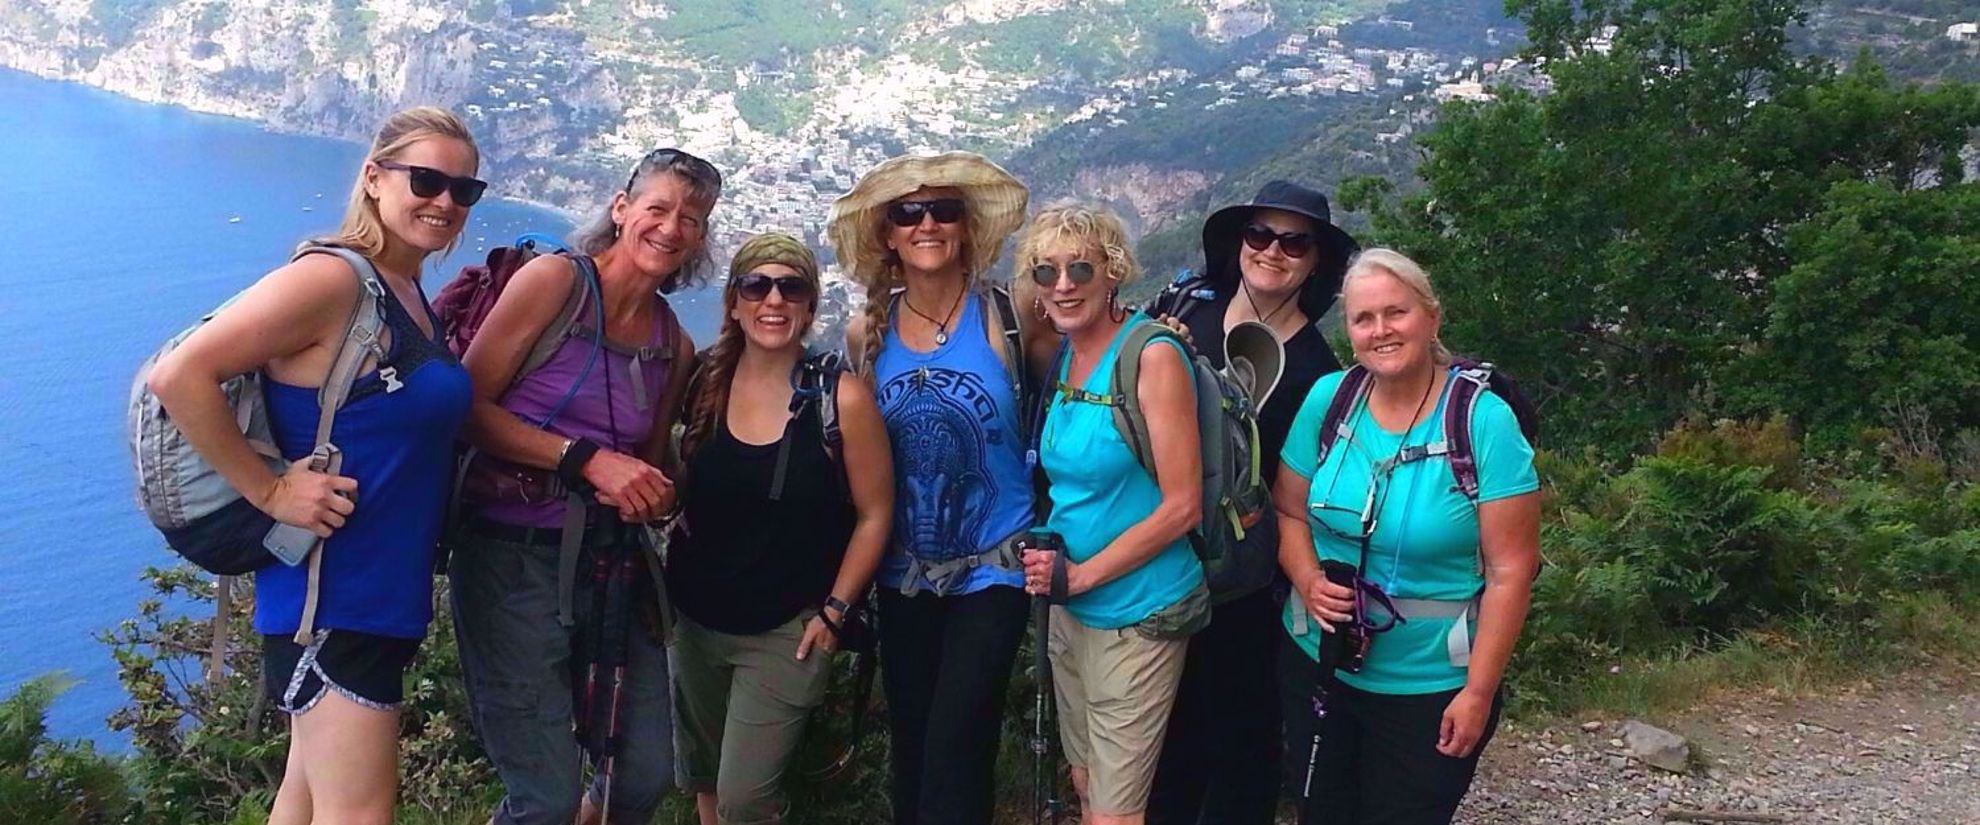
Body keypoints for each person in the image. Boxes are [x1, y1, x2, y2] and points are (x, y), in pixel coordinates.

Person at [146, 107, 482, 825]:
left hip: (368, 597)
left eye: (464, 190)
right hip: (330, 600)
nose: (445, 201)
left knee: (301, 804)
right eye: (426, 179)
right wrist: (270, 488)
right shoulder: (333, 281)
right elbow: (180, 375)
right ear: (373, 176)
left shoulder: (407, 294)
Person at [450, 148, 720, 825]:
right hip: (510, 555)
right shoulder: (556, 284)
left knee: (644, 775)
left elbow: (651, 463)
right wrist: (583, 459)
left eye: (691, 218)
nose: (671, 227)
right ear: (621, 209)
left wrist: (668, 487)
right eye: (657, 207)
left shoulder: (673, 343)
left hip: (610, 565)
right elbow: (465, 406)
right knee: (542, 800)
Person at [1275, 248, 1541, 825]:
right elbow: (1287, 511)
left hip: (1431, 684)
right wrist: (1307, 578)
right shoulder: (1330, 400)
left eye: (1395, 313)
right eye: (1363, 319)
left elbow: (1511, 569)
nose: (1380, 331)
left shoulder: (1482, 421)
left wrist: (1478, 692)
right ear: (1348, 331)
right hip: (1319, 662)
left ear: (1431, 318)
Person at [826, 152, 1036, 825]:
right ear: (887, 234)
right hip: (903, 571)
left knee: (959, 734)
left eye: (944, 210)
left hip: (995, 568)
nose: (927, 224)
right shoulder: (867, 333)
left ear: (966, 228)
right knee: (914, 739)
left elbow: (1073, 389)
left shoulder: (1010, 318)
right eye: (908, 213)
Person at [1147, 180, 1359, 825]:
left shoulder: (1321, 373)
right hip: (1163, 555)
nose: (1274, 251)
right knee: (1165, 729)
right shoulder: (1183, 323)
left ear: (1316, 259)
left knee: (1242, 732)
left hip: (1250, 581)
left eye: (1294, 242)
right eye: (1260, 235)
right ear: (1238, 243)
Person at [665, 233, 893, 825]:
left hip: (785, 631)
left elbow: (875, 512)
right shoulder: (700, 382)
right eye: (756, 285)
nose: (773, 300)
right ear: (735, 304)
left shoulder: (838, 398)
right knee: (707, 783)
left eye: (791, 288)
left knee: (747, 799)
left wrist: (835, 613)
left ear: (810, 307)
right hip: (694, 621)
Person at [1017, 203, 1210, 825]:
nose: (1064, 284)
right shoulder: (1065, 356)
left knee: (1116, 809)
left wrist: (1084, 576)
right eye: (1046, 273)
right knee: (1084, 780)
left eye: (1081, 268)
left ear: (1114, 272)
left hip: (1138, 610)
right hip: (1070, 608)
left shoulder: (1150, 356)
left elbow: (1183, 506)